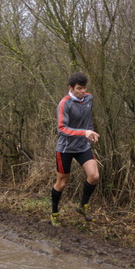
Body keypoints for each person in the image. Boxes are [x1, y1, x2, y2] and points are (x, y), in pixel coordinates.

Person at [50, 72, 100, 227]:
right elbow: (61, 129)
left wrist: (91, 133)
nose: (82, 91)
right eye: (79, 88)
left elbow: (88, 118)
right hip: (65, 148)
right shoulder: (64, 103)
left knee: (94, 176)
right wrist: (83, 133)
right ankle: (54, 213)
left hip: (82, 146)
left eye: (84, 88)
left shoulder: (89, 98)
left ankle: (82, 206)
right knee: (62, 183)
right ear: (70, 88)